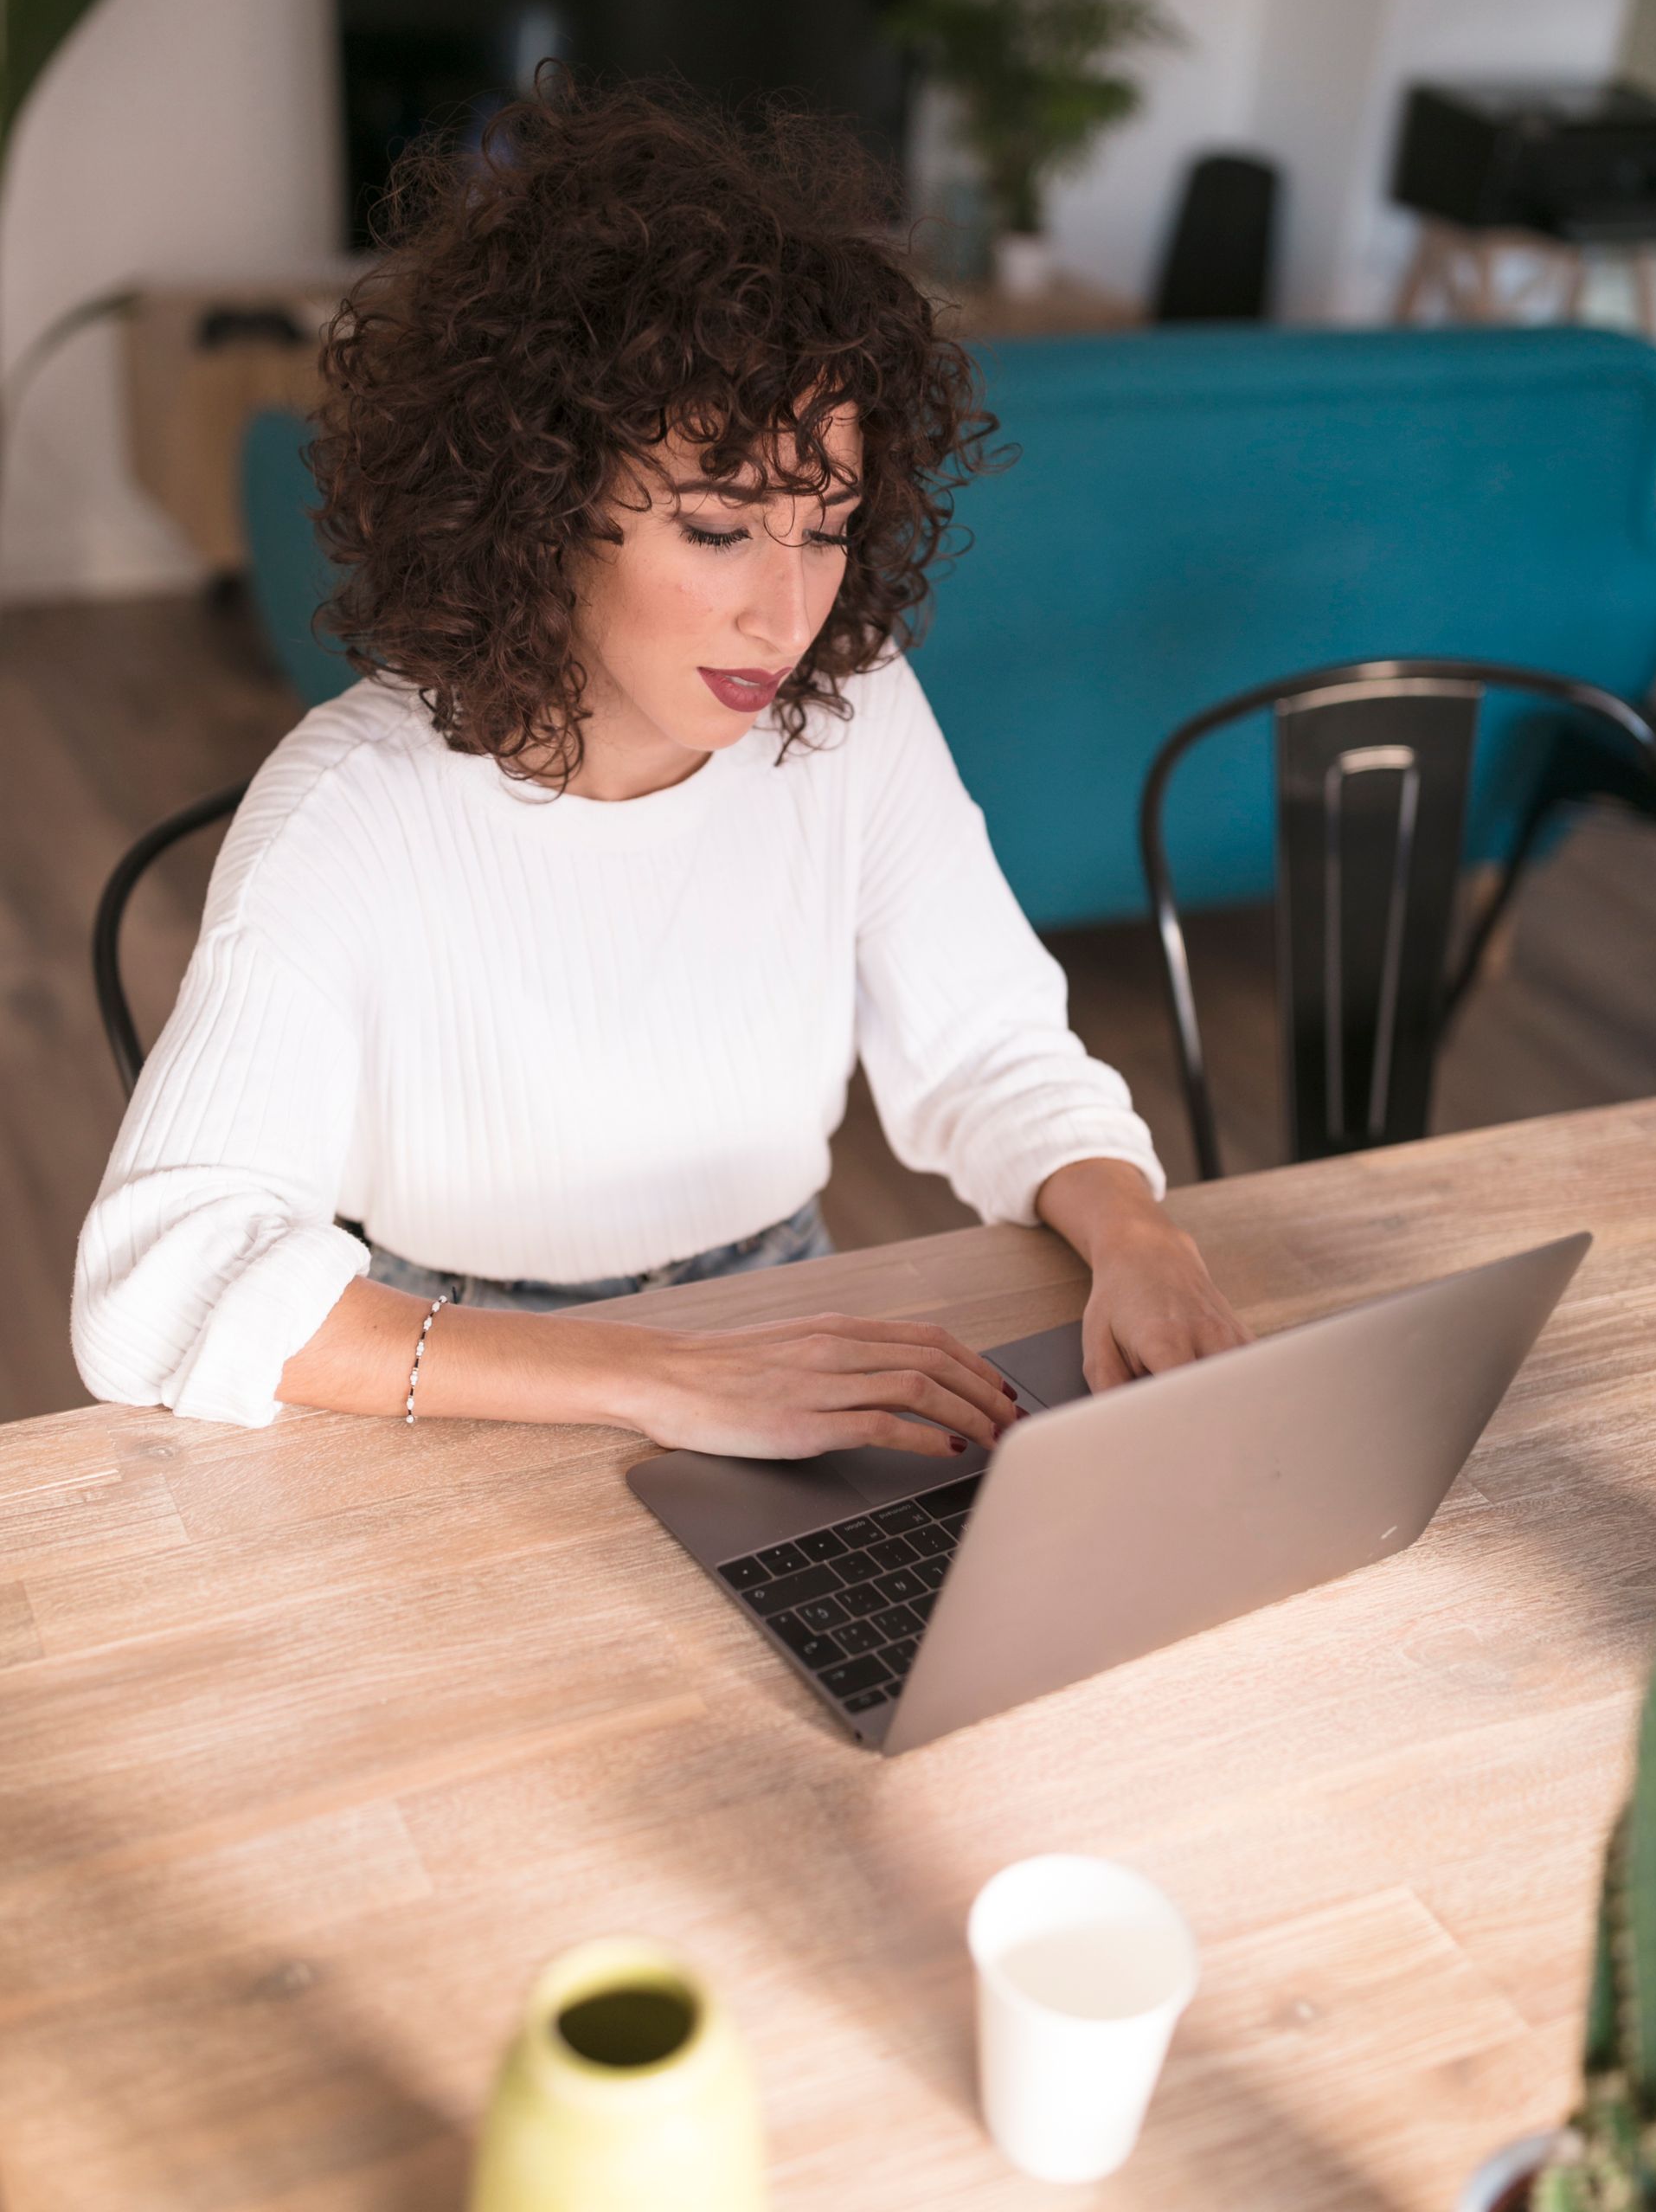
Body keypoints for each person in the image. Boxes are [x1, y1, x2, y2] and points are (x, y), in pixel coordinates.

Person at [72, 71, 1248, 1456]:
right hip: (458, 1363)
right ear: (539, 503)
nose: (788, 612)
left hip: (792, 1302)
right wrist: (658, 1378)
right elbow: (160, 1285)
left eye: (826, 528)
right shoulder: (351, 806)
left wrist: (1138, 1237)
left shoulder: (851, 709)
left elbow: (993, 1049)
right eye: (717, 530)